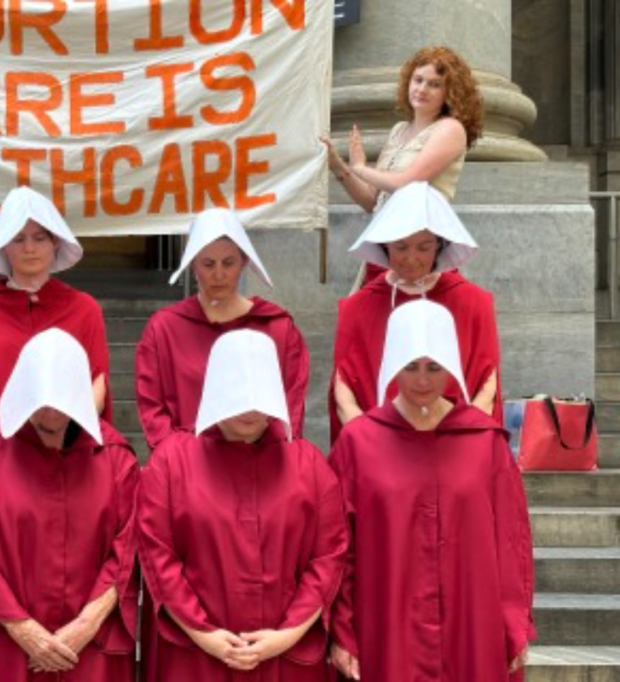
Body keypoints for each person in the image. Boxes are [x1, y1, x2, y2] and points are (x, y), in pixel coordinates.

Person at [328, 299, 534, 681]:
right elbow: (340, 548)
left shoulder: (484, 442)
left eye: (434, 368)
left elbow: (511, 541)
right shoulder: (358, 444)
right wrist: (343, 631)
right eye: (410, 367)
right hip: (387, 625)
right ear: (392, 366)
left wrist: (514, 620)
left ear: (451, 367)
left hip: (472, 623)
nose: (422, 380)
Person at [136, 329, 346, 682]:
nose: (250, 409)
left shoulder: (309, 466)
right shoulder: (171, 462)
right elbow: (158, 553)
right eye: (238, 395)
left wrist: (289, 633)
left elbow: (328, 556)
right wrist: (203, 633)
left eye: (260, 395)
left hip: (285, 654)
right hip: (195, 654)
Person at [0, 328, 138, 681]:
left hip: (88, 646)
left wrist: (86, 624)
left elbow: (126, 553)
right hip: (6, 642)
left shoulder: (115, 458)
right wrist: (24, 629)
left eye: (63, 406)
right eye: (40, 408)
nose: (51, 417)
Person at [0, 186, 110, 472]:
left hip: (66, 459)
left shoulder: (84, 309)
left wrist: (62, 438)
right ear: (3, 246)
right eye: (18, 239)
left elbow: (97, 383)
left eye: (39, 237)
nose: (30, 248)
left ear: (55, 242)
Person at [329, 181, 501, 444]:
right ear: (385, 245)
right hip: (379, 452)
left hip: (456, 447)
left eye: (423, 247)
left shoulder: (473, 303)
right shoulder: (357, 308)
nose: (411, 258)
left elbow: (487, 386)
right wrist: (367, 445)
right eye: (401, 247)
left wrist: (468, 443)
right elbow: (344, 392)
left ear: (440, 246)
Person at [135, 208, 309, 452]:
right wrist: (178, 463)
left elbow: (290, 406)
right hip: (189, 468)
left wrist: (269, 457)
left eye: (228, 263)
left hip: (261, 466)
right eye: (208, 264)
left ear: (244, 262)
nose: (219, 274)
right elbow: (153, 409)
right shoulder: (165, 329)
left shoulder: (277, 328)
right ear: (193, 264)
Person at [321, 45, 483, 213]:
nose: (421, 89)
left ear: (450, 93)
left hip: (419, 236)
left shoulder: (450, 129)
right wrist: (337, 165)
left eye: (434, 84)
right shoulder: (399, 129)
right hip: (385, 233)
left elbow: (407, 185)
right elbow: (371, 201)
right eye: (418, 80)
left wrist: (361, 169)